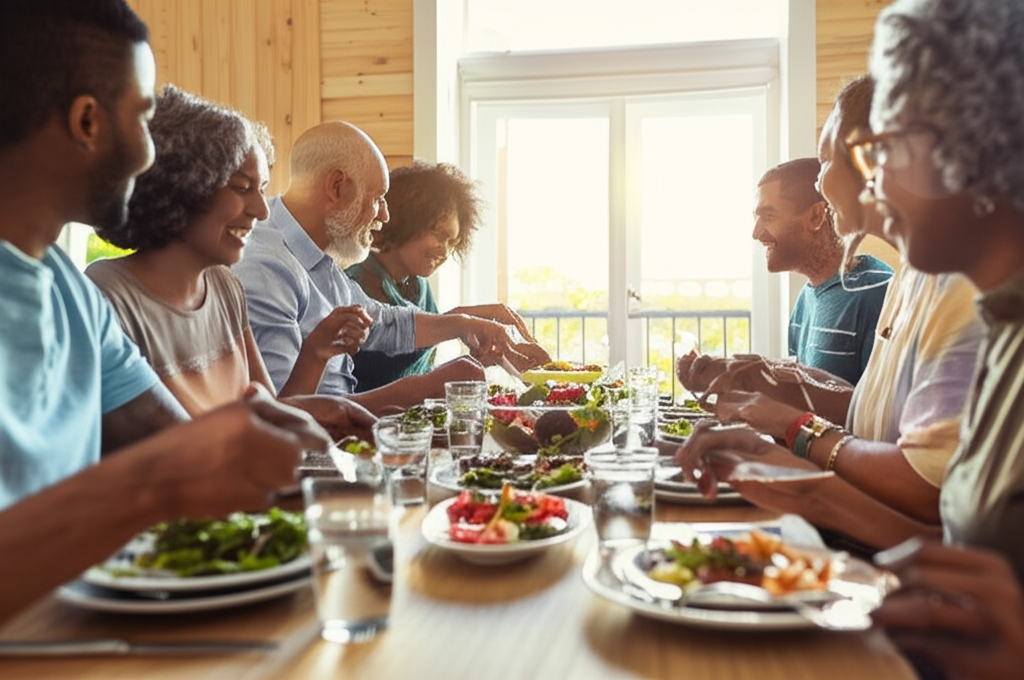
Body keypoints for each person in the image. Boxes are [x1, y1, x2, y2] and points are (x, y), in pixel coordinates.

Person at [0, 0, 330, 625]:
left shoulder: (69, 292)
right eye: (144, 117)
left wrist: (279, 437)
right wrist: (159, 480)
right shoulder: (104, 293)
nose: (154, 156)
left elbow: (183, 442)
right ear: (87, 121)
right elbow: (171, 466)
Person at [674, 75, 985, 544]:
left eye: (823, 161)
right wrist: (770, 381)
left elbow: (926, 489)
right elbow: (868, 414)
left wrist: (792, 429)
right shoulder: (913, 273)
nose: (820, 180)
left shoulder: (962, 279)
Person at [85, 85, 374, 442]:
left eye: (262, 188)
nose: (262, 210)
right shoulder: (108, 297)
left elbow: (270, 410)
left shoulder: (224, 286)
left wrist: (329, 397)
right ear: (183, 185)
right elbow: (152, 454)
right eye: (242, 188)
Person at [233, 121, 546, 415]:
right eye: (377, 198)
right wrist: (423, 388)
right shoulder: (267, 270)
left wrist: (462, 323)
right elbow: (280, 417)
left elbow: (379, 322)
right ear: (337, 187)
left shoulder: (318, 255)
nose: (384, 215)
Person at [344, 160, 481, 391]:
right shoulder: (353, 280)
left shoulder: (420, 286)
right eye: (439, 234)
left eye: (453, 242)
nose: (445, 251)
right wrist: (458, 323)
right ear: (404, 219)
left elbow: (421, 370)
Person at [754, 158, 891, 384]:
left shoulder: (879, 293)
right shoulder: (805, 299)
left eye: (768, 216)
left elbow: (881, 410)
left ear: (817, 216)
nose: (756, 232)